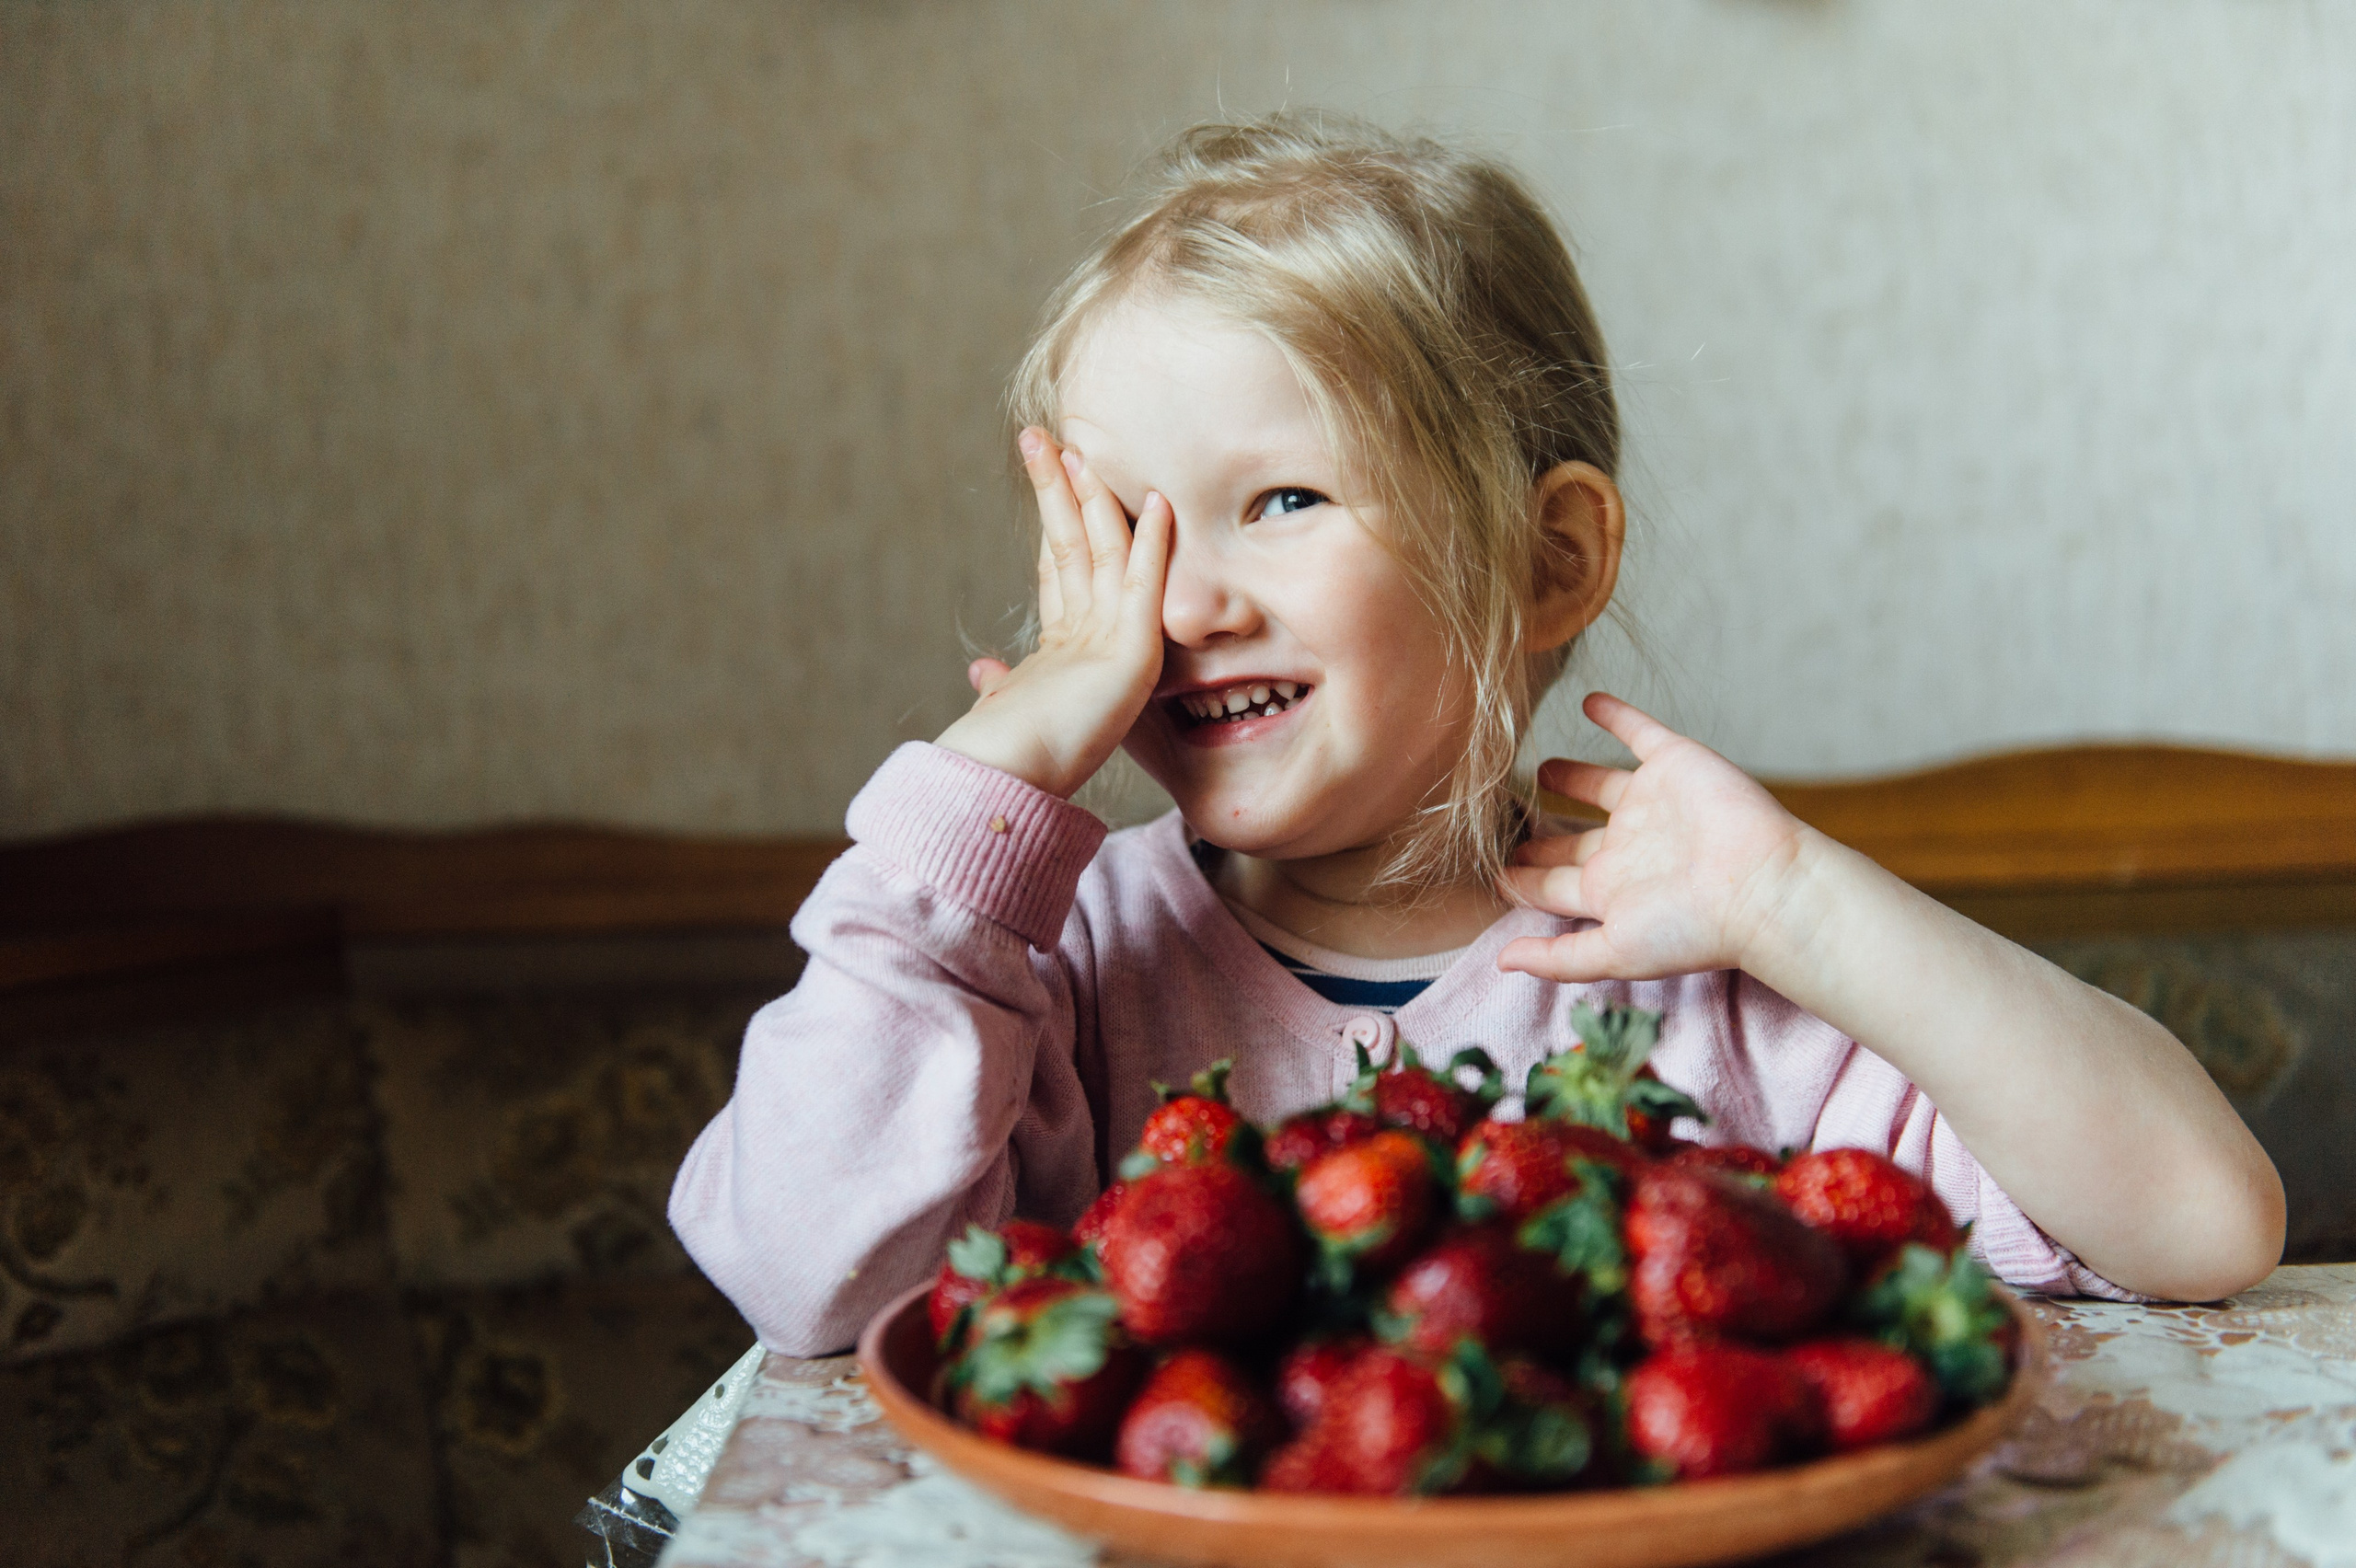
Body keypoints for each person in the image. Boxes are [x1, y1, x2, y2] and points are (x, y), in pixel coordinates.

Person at [668, 112, 2284, 1366]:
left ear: (1547, 562)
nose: (1188, 605)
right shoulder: (1039, 970)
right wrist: (984, 798)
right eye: (1127, 534)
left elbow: (2206, 1222)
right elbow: (808, 1275)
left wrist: (1797, 904)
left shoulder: (1701, 972)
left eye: (1283, 501)